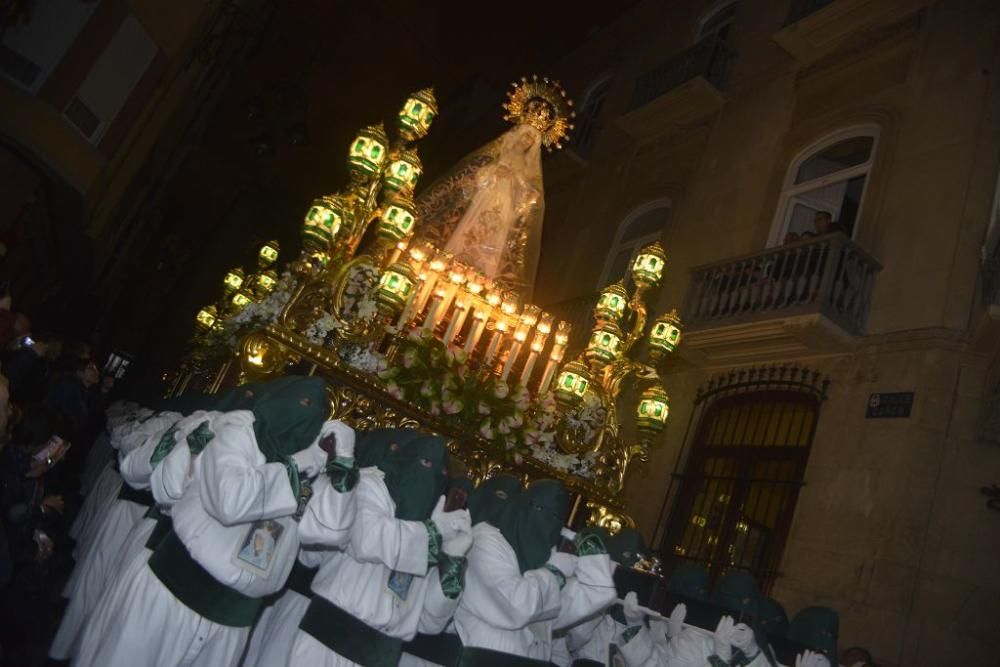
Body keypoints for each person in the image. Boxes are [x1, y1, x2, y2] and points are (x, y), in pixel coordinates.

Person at [76, 376, 331, 667]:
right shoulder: (230, 432)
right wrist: (187, 448)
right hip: (171, 571)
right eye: (302, 403)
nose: (305, 417)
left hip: (232, 616)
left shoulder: (311, 467)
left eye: (317, 411)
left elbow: (314, 543)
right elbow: (163, 483)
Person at [289, 431, 472, 666]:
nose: (430, 475)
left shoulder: (433, 518)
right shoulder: (369, 485)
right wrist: (433, 533)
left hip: (381, 655)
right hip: (328, 641)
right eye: (424, 463)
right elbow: (368, 539)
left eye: (441, 473)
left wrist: (453, 560)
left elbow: (430, 620)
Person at [415, 123, 545, 297]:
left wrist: (519, 187)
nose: (526, 141)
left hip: (506, 204)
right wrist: (496, 172)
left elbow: (523, 194)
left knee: (495, 237)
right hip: (487, 196)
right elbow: (481, 173)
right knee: (470, 227)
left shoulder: (526, 166)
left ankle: (480, 278)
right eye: (525, 135)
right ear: (518, 134)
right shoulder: (503, 149)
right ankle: (450, 263)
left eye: (531, 139)